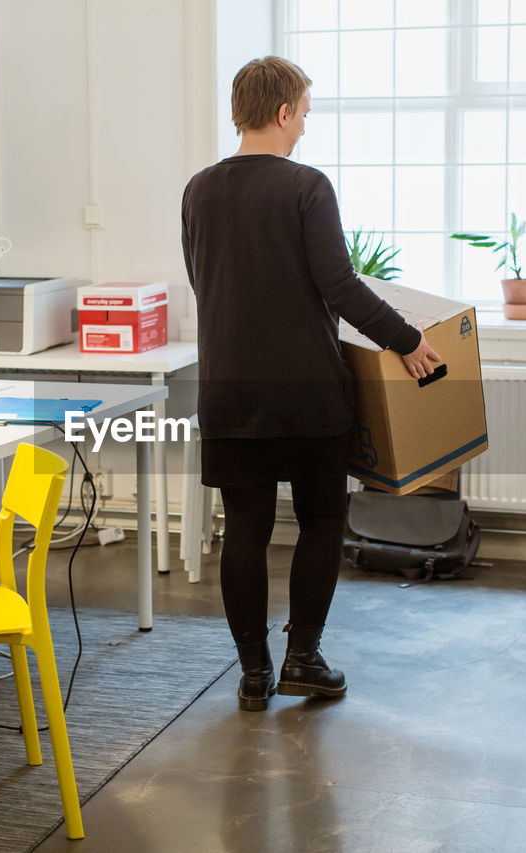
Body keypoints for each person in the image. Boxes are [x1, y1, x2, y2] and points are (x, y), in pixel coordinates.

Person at [181, 56, 442, 711]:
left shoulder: (198, 190)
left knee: (244, 528)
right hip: (306, 394)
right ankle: (303, 658)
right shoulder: (307, 186)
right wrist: (407, 340)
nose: (304, 126)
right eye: (303, 113)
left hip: (229, 392)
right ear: (282, 112)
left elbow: (203, 280)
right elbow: (340, 285)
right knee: (322, 518)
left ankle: (252, 674)